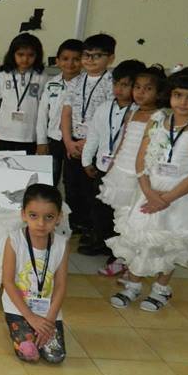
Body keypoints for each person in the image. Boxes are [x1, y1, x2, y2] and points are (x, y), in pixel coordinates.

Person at [108, 67, 188, 311]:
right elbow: (140, 161)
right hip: (150, 192)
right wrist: (149, 192)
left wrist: (166, 199)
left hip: (181, 196)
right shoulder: (156, 122)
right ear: (169, 95)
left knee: (171, 242)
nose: (183, 102)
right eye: (178, 95)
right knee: (141, 238)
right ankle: (133, 284)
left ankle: (161, 289)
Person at [100, 65, 167, 281]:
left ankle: (135, 264)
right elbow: (123, 140)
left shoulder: (160, 117)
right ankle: (123, 258)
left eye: (148, 88)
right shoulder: (132, 112)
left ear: (159, 92)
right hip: (122, 171)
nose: (140, 92)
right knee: (121, 218)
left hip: (141, 175)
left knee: (136, 220)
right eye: (137, 87)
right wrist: (113, 164)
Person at [79, 60, 144, 258]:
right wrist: (86, 160)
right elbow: (93, 136)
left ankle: (118, 249)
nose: (118, 89)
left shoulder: (139, 113)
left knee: (121, 210)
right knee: (99, 207)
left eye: (125, 85)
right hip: (101, 167)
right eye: (116, 83)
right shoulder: (104, 107)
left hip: (124, 171)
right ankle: (100, 240)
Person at [1, 183, 69, 364]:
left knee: (56, 356)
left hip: (48, 309)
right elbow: (8, 282)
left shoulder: (62, 244)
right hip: (18, 307)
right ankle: (24, 328)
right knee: (30, 354)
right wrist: (30, 318)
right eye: (33, 215)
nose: (41, 223)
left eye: (49, 217)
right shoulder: (14, 240)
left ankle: (39, 331)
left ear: (59, 217)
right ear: (23, 214)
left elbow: (61, 285)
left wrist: (50, 320)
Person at [61, 33, 116, 237]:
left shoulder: (112, 83)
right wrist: (68, 141)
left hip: (95, 145)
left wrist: (87, 143)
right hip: (73, 142)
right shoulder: (77, 80)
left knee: (91, 189)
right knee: (71, 185)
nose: (90, 60)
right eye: (86, 55)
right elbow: (66, 112)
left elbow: (109, 118)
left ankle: (94, 230)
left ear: (110, 58)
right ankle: (76, 224)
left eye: (97, 56)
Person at [36, 39, 83, 185]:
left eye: (76, 59)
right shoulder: (51, 83)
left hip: (75, 140)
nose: (70, 63)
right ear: (57, 61)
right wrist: (41, 141)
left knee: (72, 179)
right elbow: (42, 114)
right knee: (49, 177)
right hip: (54, 139)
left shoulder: (85, 85)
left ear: (83, 61)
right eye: (65, 58)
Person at [0, 33, 48, 155]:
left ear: (37, 56)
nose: (25, 59)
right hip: (5, 133)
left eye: (31, 55)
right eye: (20, 54)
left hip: (29, 135)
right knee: (5, 164)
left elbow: (43, 110)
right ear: (13, 54)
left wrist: (42, 139)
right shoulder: (3, 75)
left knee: (25, 166)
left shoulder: (41, 77)